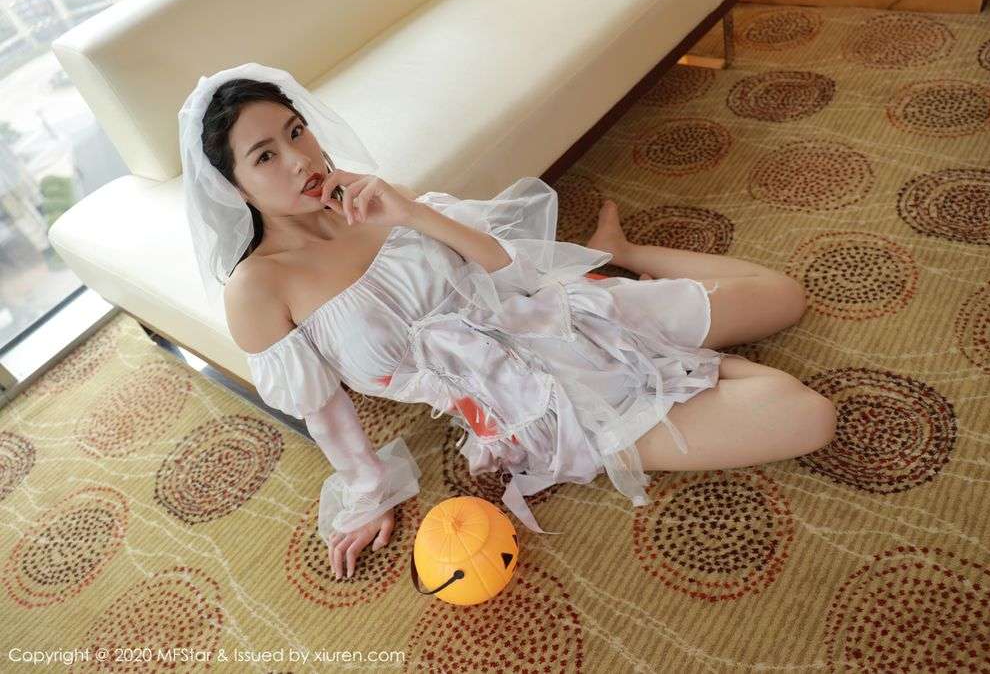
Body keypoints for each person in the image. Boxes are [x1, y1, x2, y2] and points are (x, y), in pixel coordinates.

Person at [179, 63, 837, 581]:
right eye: (264, 156)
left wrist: (412, 213)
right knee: (809, 415)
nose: (298, 160)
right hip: (538, 407)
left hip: (563, 315)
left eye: (296, 131)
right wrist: (367, 490)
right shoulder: (258, 288)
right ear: (232, 186)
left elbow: (511, 273)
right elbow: (324, 411)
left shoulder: (369, 197)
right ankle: (686, 366)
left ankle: (626, 254)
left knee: (784, 296)